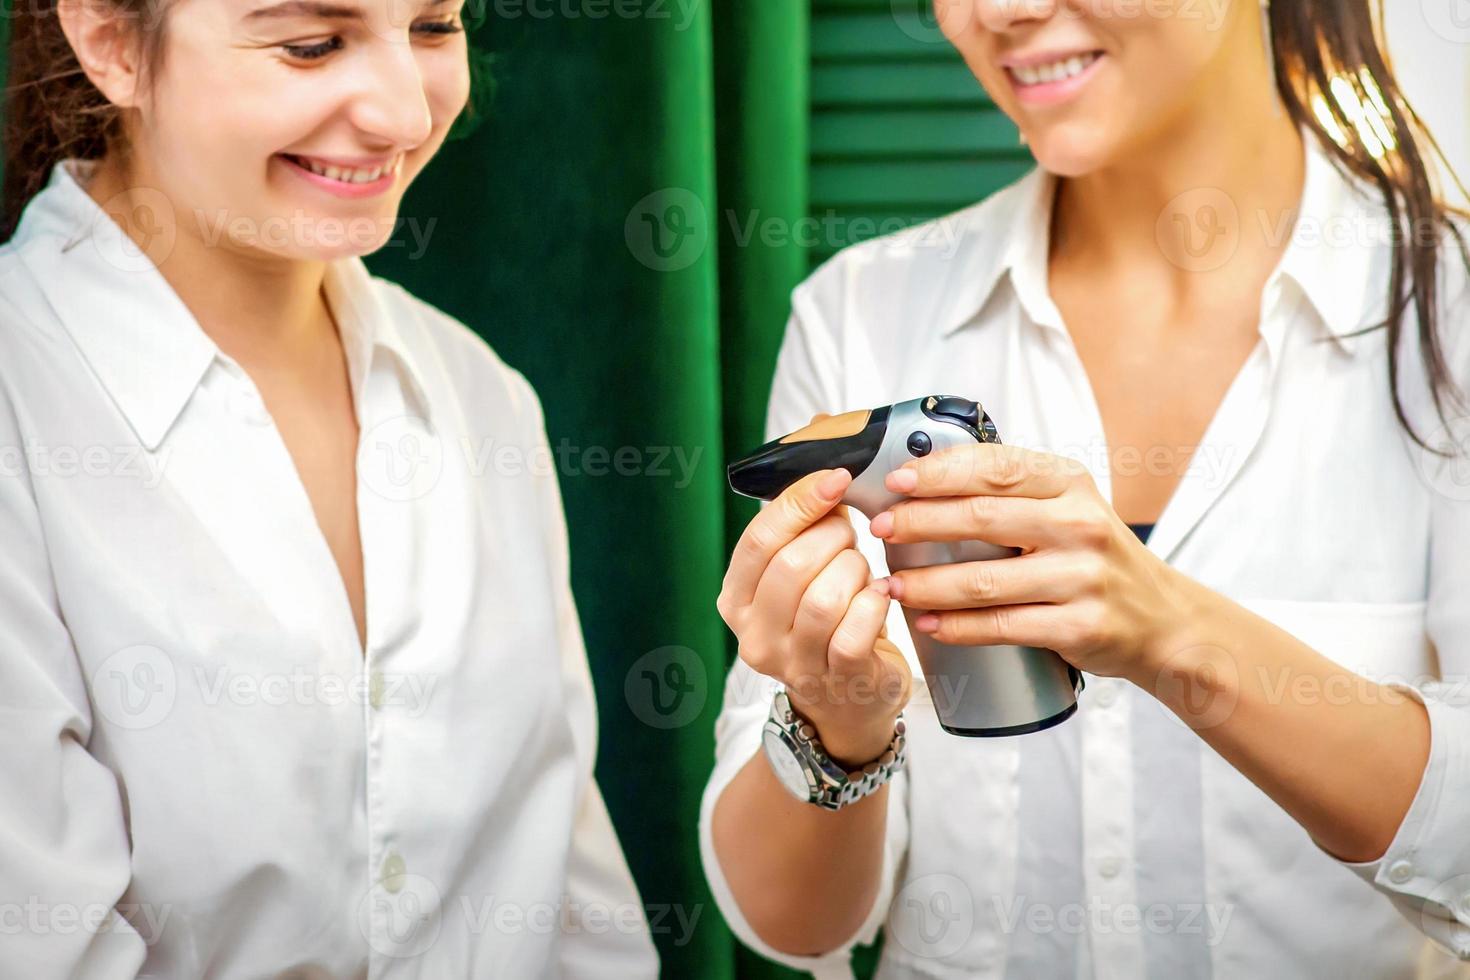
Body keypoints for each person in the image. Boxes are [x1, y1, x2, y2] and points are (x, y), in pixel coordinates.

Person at [703, 2, 1470, 978]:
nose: (1000, 11)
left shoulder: (1452, 313)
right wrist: (836, 727)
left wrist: (1173, 635)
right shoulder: (859, 311)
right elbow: (794, 926)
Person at [0, 0, 657, 974]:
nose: (403, 113)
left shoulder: (481, 395)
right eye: (312, 44)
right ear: (107, 40)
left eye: (435, 26)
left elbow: (573, 913)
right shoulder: (23, 397)